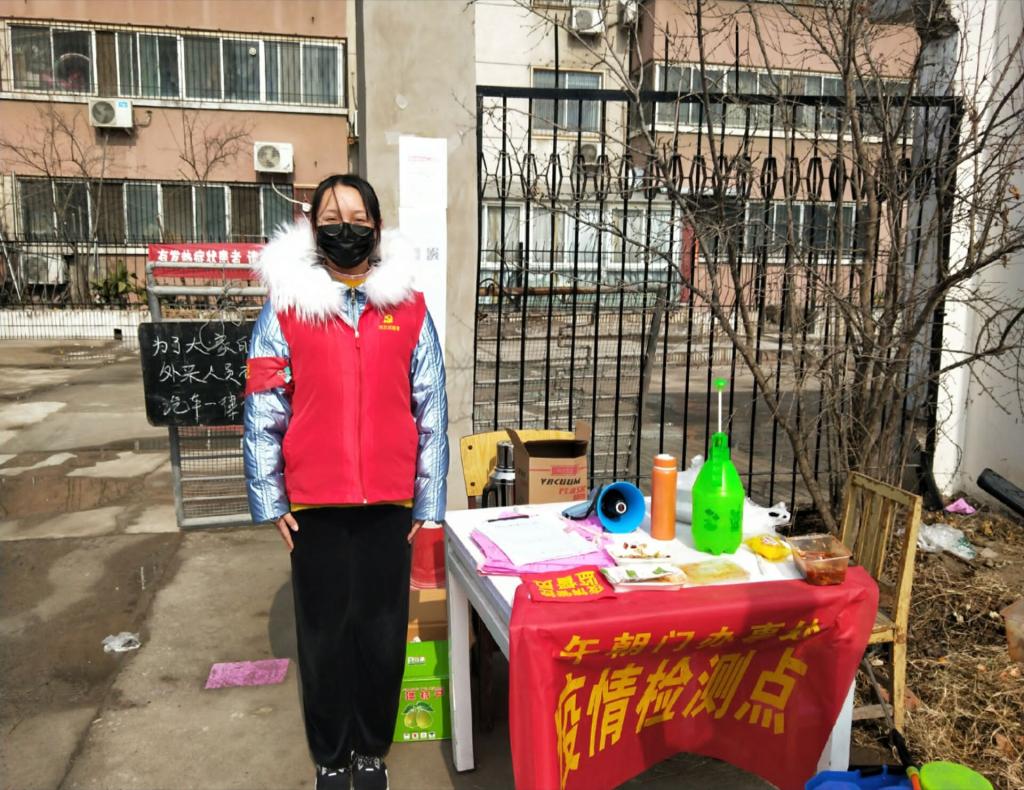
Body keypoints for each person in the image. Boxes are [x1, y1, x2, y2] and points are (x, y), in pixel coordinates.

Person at [242, 173, 449, 790]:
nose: (345, 229)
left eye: (358, 219)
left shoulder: (408, 308)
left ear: (376, 228)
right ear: (313, 227)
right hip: (315, 506)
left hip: (390, 503)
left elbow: (431, 407)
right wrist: (269, 497)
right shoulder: (287, 307)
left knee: (382, 634)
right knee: (325, 636)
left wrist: (428, 502)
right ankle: (331, 755)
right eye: (332, 219)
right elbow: (263, 406)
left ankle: (370, 750)